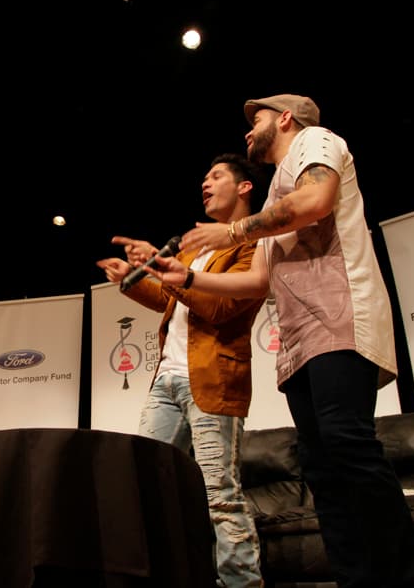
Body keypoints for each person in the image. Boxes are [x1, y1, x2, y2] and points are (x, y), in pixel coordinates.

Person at [148, 94, 414, 588]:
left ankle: (401, 579)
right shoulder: (278, 191)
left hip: (340, 317)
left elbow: (316, 201)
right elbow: (256, 282)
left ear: (284, 118)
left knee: (348, 446)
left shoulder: (315, 142)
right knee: (322, 471)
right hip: (299, 339)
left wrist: (229, 232)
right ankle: (353, 579)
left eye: (255, 121)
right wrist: (183, 280)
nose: (247, 132)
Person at [97, 153, 267, 588]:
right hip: (166, 380)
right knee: (143, 481)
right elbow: (168, 300)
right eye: (204, 178)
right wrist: (132, 276)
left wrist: (167, 272)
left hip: (213, 379)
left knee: (220, 496)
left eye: (215, 177)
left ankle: (242, 584)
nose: (205, 184)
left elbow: (222, 307)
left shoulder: (254, 243)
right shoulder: (194, 245)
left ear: (244, 186)